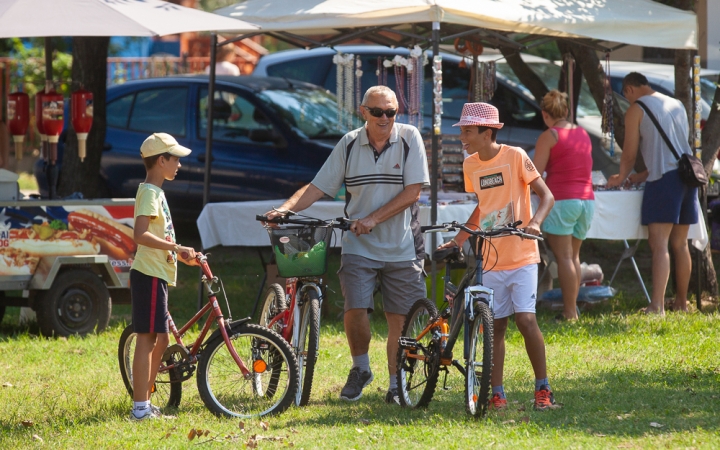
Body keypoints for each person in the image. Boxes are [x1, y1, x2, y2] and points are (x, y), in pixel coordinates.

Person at [264, 85, 429, 404]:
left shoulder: (410, 138)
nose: (385, 118)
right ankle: (361, 368)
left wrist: (373, 219)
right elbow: (317, 186)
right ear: (363, 111)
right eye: (378, 112)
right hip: (358, 244)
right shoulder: (350, 143)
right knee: (355, 309)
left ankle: (396, 384)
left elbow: (413, 193)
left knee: (400, 319)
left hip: (402, 244)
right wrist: (285, 209)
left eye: (391, 112)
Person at [434, 102, 558, 411]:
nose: (463, 137)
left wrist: (534, 223)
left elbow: (547, 196)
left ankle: (543, 389)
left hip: (522, 255)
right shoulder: (471, 165)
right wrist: (459, 239)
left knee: (526, 320)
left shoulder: (515, 156)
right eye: (461, 130)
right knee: (496, 326)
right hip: (490, 257)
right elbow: (483, 207)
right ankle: (497, 393)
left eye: (468, 131)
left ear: (487, 132)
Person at [606, 72, 697, 314]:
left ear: (629, 90)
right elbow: (675, 150)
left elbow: (629, 153)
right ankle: (681, 303)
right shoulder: (675, 103)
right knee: (680, 244)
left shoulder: (637, 108)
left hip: (665, 181)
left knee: (659, 244)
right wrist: (642, 175)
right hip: (688, 177)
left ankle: (656, 306)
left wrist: (621, 177)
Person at [129, 132, 199, 420]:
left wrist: (181, 254)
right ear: (161, 161)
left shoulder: (157, 192)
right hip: (149, 273)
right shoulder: (148, 192)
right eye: (175, 159)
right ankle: (140, 409)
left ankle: (145, 401)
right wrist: (176, 247)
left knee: (161, 340)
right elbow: (140, 234)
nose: (179, 164)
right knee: (146, 340)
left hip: (158, 273)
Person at [533, 90, 595, 321]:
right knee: (574, 257)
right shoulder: (583, 134)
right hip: (586, 200)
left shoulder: (549, 136)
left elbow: (535, 175)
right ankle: (572, 309)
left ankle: (570, 312)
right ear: (567, 111)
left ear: (545, 114)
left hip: (562, 200)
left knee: (565, 258)